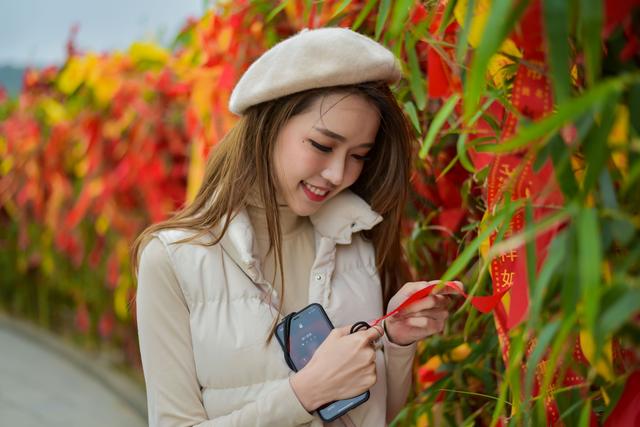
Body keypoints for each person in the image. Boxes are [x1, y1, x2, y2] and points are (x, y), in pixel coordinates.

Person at [133, 27, 455, 427]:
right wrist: (305, 395)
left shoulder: (355, 241)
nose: (338, 173)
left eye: (358, 155)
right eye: (322, 146)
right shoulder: (173, 260)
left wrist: (398, 342)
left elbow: (375, 414)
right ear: (270, 124)